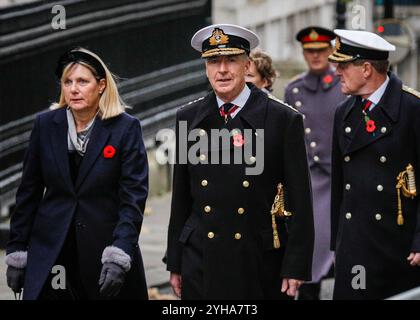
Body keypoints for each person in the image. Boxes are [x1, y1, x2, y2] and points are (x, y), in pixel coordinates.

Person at [166, 23, 314, 299]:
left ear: (247, 66)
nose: (221, 70)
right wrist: (175, 261)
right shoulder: (189, 117)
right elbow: (182, 198)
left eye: (231, 60)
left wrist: (296, 265)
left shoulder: (282, 119)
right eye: (213, 62)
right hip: (202, 258)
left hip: (256, 259)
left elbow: (300, 200)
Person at [5, 47, 149, 300]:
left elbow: (133, 199)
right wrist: (17, 250)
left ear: (101, 85)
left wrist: (120, 251)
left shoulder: (125, 128)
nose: (73, 89)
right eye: (67, 82)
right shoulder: (46, 125)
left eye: (82, 81)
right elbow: (28, 192)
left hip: (104, 252)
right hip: (51, 252)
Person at [329, 29, 420, 299]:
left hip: (400, 244)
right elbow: (339, 187)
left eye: (343, 65)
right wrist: (338, 245)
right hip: (355, 245)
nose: (336, 72)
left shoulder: (412, 108)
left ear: (367, 69)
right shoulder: (344, 113)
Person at [284, 26, 346, 300]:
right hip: (313, 181)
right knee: (312, 253)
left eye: (321, 51)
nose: (316, 56)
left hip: (344, 178)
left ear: (331, 51)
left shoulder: (345, 86)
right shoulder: (294, 89)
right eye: (310, 51)